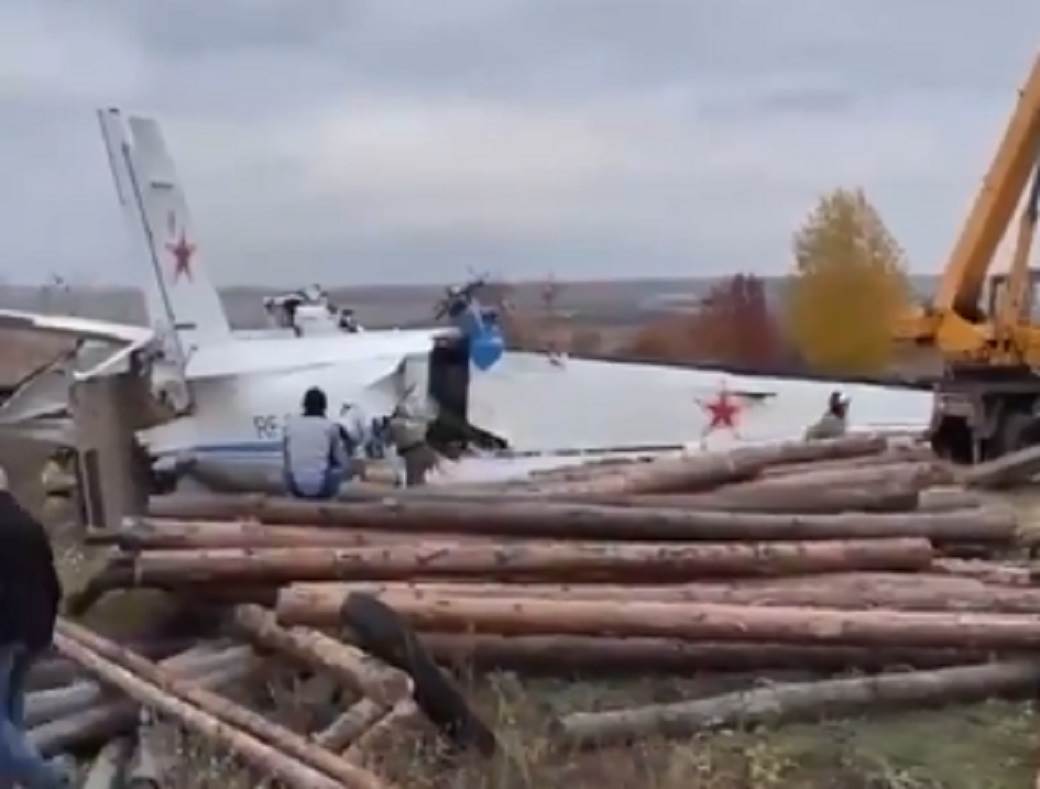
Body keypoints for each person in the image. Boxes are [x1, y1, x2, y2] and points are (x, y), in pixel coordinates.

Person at [0, 466, 68, 788]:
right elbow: (52, 583)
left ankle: (48, 778)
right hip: (32, 632)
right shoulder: (30, 524)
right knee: (12, 714)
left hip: (3, 634)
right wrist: (45, 629)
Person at [282, 387, 349, 499]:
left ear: (304, 405)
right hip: (323, 488)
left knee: (288, 468)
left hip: (294, 487)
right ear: (324, 406)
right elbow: (340, 459)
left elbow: (286, 459)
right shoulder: (330, 426)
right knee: (341, 467)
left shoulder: (290, 425)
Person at [387, 403, 439, 487]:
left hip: (411, 452)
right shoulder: (419, 421)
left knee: (412, 482)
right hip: (426, 450)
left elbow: (389, 441)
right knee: (420, 480)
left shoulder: (393, 424)